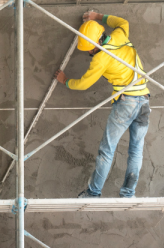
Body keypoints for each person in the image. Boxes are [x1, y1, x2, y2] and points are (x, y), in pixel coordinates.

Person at [55, 11, 150, 199]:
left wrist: (65, 80)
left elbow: (83, 83)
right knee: (136, 150)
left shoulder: (100, 58)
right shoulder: (119, 35)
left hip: (126, 103)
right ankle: (128, 193)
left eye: (89, 49)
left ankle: (93, 193)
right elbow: (122, 21)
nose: (89, 52)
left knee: (107, 151)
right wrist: (97, 16)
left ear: (96, 44)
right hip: (144, 100)